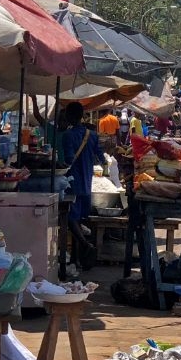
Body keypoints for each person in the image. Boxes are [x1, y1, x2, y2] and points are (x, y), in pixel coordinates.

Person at [61, 101, 100, 269]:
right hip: (87, 181)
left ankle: (85, 245)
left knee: (70, 219)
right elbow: (101, 157)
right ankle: (75, 260)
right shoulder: (92, 135)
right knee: (79, 220)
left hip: (73, 183)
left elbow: (69, 159)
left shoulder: (68, 136)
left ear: (69, 117)